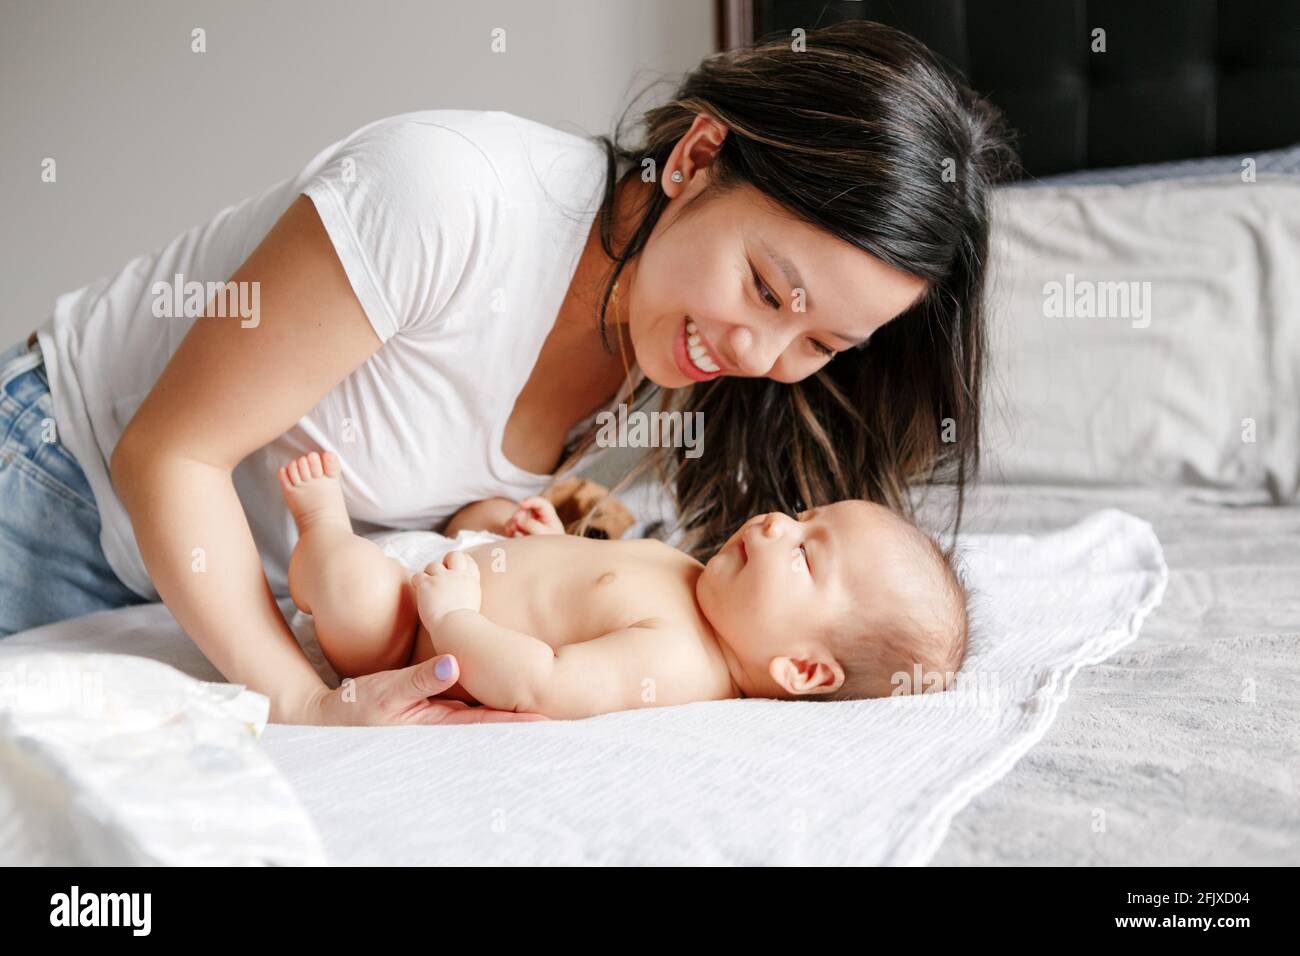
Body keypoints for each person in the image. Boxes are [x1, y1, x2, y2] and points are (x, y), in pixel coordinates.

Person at [0, 21, 1016, 725]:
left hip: (245, 591)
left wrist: (487, 529)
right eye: (765, 288)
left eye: (819, 345)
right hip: (60, 496)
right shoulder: (443, 197)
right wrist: (304, 704)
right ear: (698, 156)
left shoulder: (678, 326)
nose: (756, 355)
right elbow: (169, 454)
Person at [278, 449, 970, 720]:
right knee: (489, 509)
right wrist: (553, 543)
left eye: (805, 555)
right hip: (459, 564)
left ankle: (320, 536)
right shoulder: (700, 580)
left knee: (353, 589)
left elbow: (539, 681)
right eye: (801, 516)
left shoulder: (676, 663)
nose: (771, 525)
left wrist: (454, 620)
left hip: (410, 638)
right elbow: (589, 592)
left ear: (804, 669)